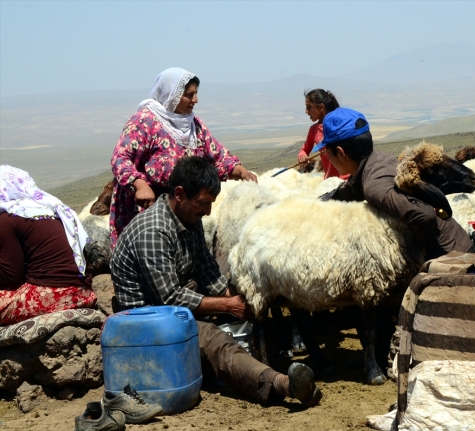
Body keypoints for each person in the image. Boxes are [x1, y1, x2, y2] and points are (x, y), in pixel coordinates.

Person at [110, 156, 322, 408]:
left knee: (235, 297)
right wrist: (228, 305)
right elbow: (169, 299)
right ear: (179, 193)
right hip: (146, 321)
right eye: (203, 203)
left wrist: (242, 297)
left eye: (211, 203)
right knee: (212, 338)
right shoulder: (154, 231)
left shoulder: (190, 221)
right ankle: (281, 384)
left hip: (172, 312)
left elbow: (209, 274)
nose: (208, 211)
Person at [110, 67, 257, 248]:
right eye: (189, 95)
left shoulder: (193, 124)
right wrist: (140, 184)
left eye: (195, 94)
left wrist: (239, 170)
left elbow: (216, 157)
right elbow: (120, 158)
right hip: (147, 210)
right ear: (171, 94)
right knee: (151, 262)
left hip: (184, 208)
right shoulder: (144, 121)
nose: (195, 100)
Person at [319, 107, 472, 260]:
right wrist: (320, 203)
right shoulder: (378, 159)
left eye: (328, 153)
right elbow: (353, 189)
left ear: (340, 152)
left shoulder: (374, 187)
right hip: (460, 242)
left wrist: (408, 258)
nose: (328, 158)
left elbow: (424, 215)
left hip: (453, 258)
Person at [0, 165, 96, 325]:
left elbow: (11, 277)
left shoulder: (6, 220)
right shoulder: (52, 210)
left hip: (53, 296)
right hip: (83, 293)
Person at [297, 89, 347, 179]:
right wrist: (302, 156)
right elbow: (304, 150)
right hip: (329, 181)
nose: (306, 111)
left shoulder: (340, 124)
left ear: (321, 107)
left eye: (309, 107)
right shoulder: (313, 130)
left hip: (347, 178)